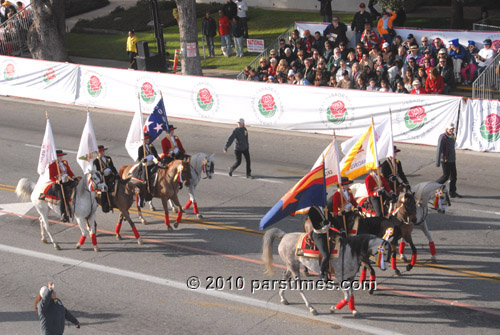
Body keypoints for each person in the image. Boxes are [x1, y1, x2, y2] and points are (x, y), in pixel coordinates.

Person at [49, 150, 77, 223]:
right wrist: (57, 181)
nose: (61, 158)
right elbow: (51, 177)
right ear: (56, 157)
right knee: (62, 198)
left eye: (61, 156)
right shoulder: (52, 165)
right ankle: (63, 214)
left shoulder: (65, 162)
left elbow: (69, 171)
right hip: (59, 184)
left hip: (67, 180)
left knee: (77, 185)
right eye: (59, 156)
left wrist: (73, 177)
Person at [436, 122, 462, 198]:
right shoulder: (443, 137)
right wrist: (437, 162)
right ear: (446, 129)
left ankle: (452, 192)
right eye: (450, 129)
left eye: (452, 129)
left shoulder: (452, 136)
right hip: (445, 160)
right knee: (446, 176)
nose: (451, 130)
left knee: (454, 176)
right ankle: (433, 185)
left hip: (452, 159)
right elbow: (439, 149)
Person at [307, 205, 330, 282]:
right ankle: (322, 272)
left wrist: (341, 229)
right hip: (319, 235)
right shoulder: (312, 210)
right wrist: (323, 223)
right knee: (326, 255)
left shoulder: (324, 207)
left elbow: (331, 218)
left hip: (328, 232)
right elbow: (316, 226)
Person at [137, 132, 161, 205]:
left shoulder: (151, 146)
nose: (147, 140)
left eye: (148, 138)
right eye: (145, 139)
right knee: (144, 181)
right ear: (143, 140)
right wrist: (143, 160)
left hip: (152, 163)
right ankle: (142, 196)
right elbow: (139, 158)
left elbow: (156, 154)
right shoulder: (141, 148)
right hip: (145, 165)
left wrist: (160, 160)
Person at [93, 145, 118, 213]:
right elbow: (96, 172)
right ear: (97, 153)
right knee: (105, 189)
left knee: (119, 183)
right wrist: (102, 173)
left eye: (103, 151)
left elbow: (112, 166)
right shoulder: (96, 161)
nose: (102, 153)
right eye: (100, 152)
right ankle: (104, 206)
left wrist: (116, 173)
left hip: (110, 175)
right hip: (103, 178)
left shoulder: (108, 158)